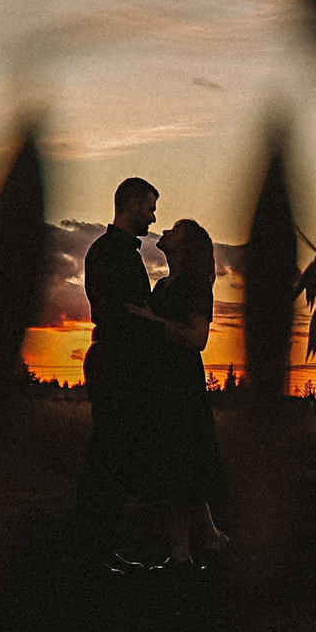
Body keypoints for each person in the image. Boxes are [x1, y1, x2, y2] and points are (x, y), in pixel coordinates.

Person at [70, 176, 162, 568]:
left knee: (112, 455)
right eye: (150, 208)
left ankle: (95, 548)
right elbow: (122, 313)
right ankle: (92, 550)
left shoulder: (112, 250)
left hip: (117, 362)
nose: (153, 217)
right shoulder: (111, 252)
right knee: (110, 456)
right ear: (131, 204)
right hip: (117, 364)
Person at [133, 217, 232, 567]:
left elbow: (198, 338)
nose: (166, 231)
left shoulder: (195, 286)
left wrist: (154, 322)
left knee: (180, 467)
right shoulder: (162, 285)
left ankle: (179, 557)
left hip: (183, 387)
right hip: (161, 385)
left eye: (176, 230)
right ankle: (211, 537)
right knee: (185, 465)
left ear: (186, 246)